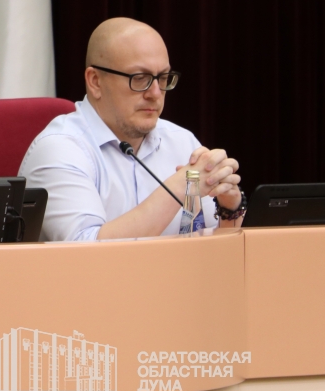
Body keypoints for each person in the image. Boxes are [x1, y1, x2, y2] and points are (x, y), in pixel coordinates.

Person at [20, 18, 245, 241]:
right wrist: (178, 187)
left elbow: (210, 246)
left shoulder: (182, 142)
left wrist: (229, 209)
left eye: (162, 78)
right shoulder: (59, 148)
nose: (155, 93)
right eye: (140, 78)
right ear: (95, 81)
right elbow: (85, 249)